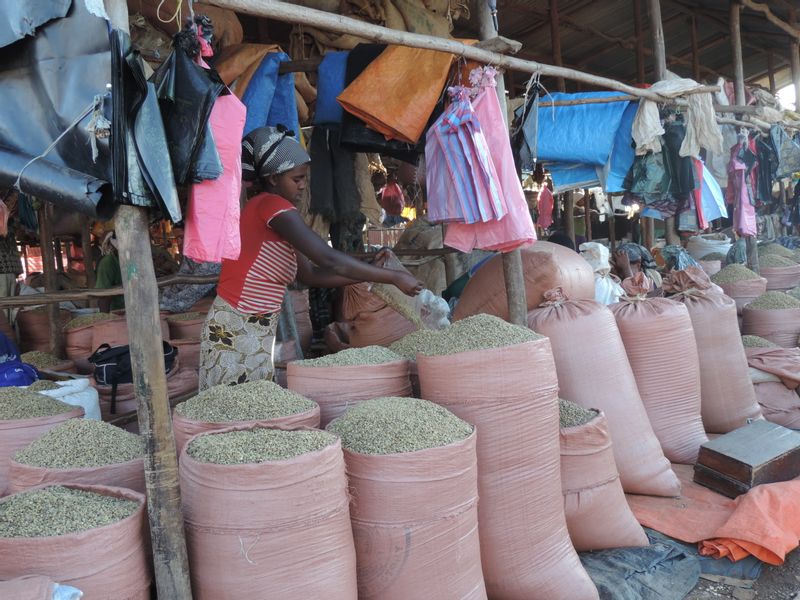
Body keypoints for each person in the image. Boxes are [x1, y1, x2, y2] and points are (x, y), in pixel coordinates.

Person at [198, 125, 423, 389]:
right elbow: (329, 259)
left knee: (245, 404)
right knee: (235, 407)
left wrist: (366, 266)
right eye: (297, 179)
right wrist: (392, 277)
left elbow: (311, 275)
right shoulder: (270, 206)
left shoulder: (278, 215)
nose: (303, 185)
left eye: (305, 178)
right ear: (272, 179)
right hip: (236, 326)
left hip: (252, 325)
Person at [95, 232, 124, 312]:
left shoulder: (135, 258)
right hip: (118, 312)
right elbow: (103, 295)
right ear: (113, 247)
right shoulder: (107, 263)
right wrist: (105, 319)